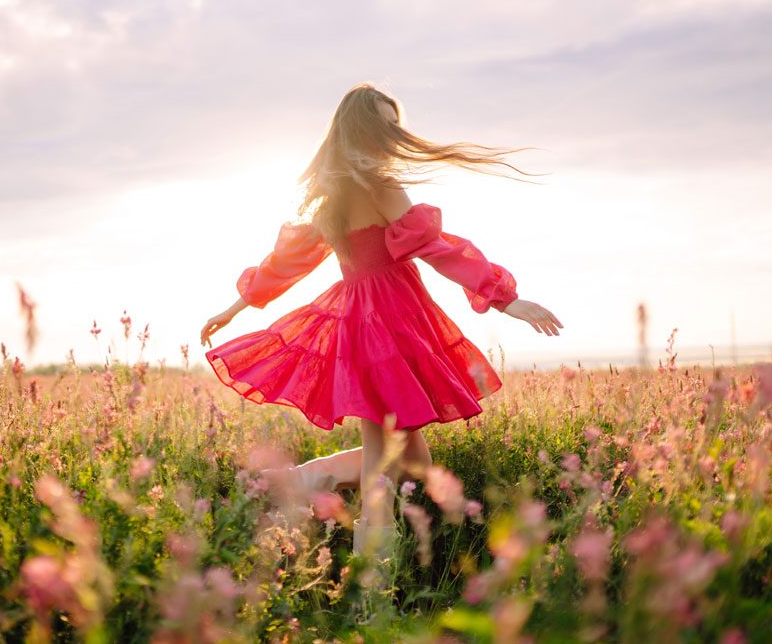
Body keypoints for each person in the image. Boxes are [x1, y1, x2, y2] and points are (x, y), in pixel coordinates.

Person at [199, 82, 563, 566]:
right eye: (385, 125)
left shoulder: (336, 193)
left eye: (396, 125)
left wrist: (236, 306)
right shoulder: (379, 186)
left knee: (414, 463)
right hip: (386, 320)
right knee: (381, 453)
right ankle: (374, 568)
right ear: (363, 129)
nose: (394, 135)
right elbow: (437, 249)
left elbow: (286, 263)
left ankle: (296, 484)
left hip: (368, 316)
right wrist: (505, 299)